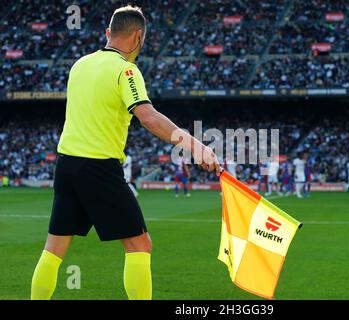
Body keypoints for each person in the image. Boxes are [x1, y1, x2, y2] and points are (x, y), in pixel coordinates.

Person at [30, 5, 220, 301]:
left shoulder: (79, 65)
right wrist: (197, 146)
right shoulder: (126, 69)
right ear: (138, 36)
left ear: (108, 33)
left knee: (54, 249)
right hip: (98, 168)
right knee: (140, 245)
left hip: (66, 166)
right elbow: (149, 117)